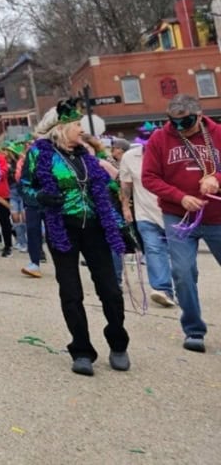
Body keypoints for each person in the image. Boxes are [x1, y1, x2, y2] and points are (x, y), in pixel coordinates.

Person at [21, 98, 130, 376]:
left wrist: (121, 222)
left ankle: (118, 343)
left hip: (95, 228)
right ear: (61, 128)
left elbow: (110, 185)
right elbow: (25, 187)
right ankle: (81, 350)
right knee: (71, 292)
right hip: (62, 228)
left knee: (110, 290)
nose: (81, 129)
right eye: (77, 125)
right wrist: (40, 196)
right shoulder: (40, 154)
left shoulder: (86, 155)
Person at [141, 94, 221, 354]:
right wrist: (180, 196)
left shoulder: (217, 133)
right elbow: (149, 177)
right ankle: (194, 330)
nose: (179, 128)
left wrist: (217, 178)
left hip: (216, 215)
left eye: (185, 122)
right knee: (183, 273)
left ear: (199, 116)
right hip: (178, 216)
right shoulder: (159, 139)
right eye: (173, 122)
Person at [118, 122, 175, 308]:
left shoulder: (170, 154)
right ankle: (162, 289)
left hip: (174, 213)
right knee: (154, 250)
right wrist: (126, 208)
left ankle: (185, 288)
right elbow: (126, 185)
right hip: (145, 214)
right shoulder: (129, 157)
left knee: (180, 256)